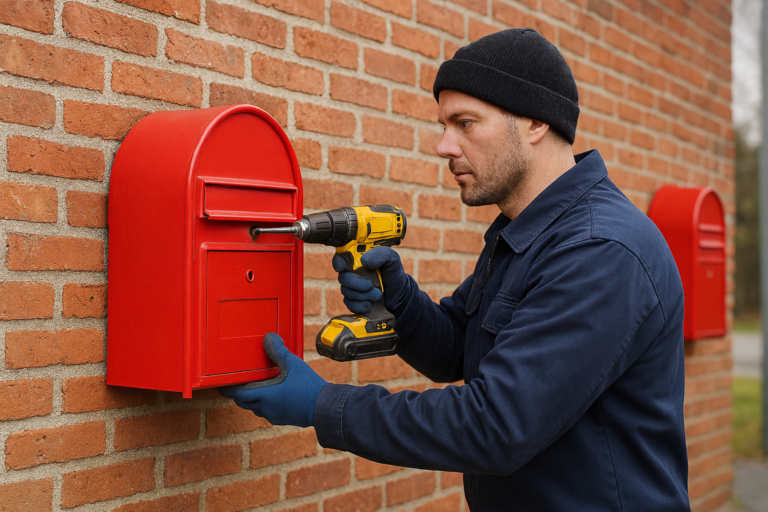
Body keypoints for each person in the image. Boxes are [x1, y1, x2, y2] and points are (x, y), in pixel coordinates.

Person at [221, 28, 691, 511]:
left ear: (534, 123)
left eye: (465, 123)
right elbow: (459, 350)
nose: (443, 145)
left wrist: (321, 405)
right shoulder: (525, 232)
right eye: (444, 124)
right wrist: (400, 302)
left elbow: (497, 425)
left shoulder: (600, 250)